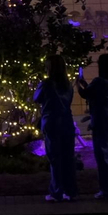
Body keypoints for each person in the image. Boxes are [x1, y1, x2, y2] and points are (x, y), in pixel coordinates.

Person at [77, 53, 108, 199]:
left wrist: (78, 83)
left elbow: (86, 94)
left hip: (103, 120)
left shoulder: (99, 81)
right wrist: (85, 83)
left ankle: (106, 190)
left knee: (103, 156)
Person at [35, 55, 77, 202]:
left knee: (55, 157)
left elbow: (37, 98)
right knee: (68, 157)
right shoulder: (68, 85)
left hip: (51, 120)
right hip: (66, 120)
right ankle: (70, 190)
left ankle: (56, 191)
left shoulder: (46, 84)